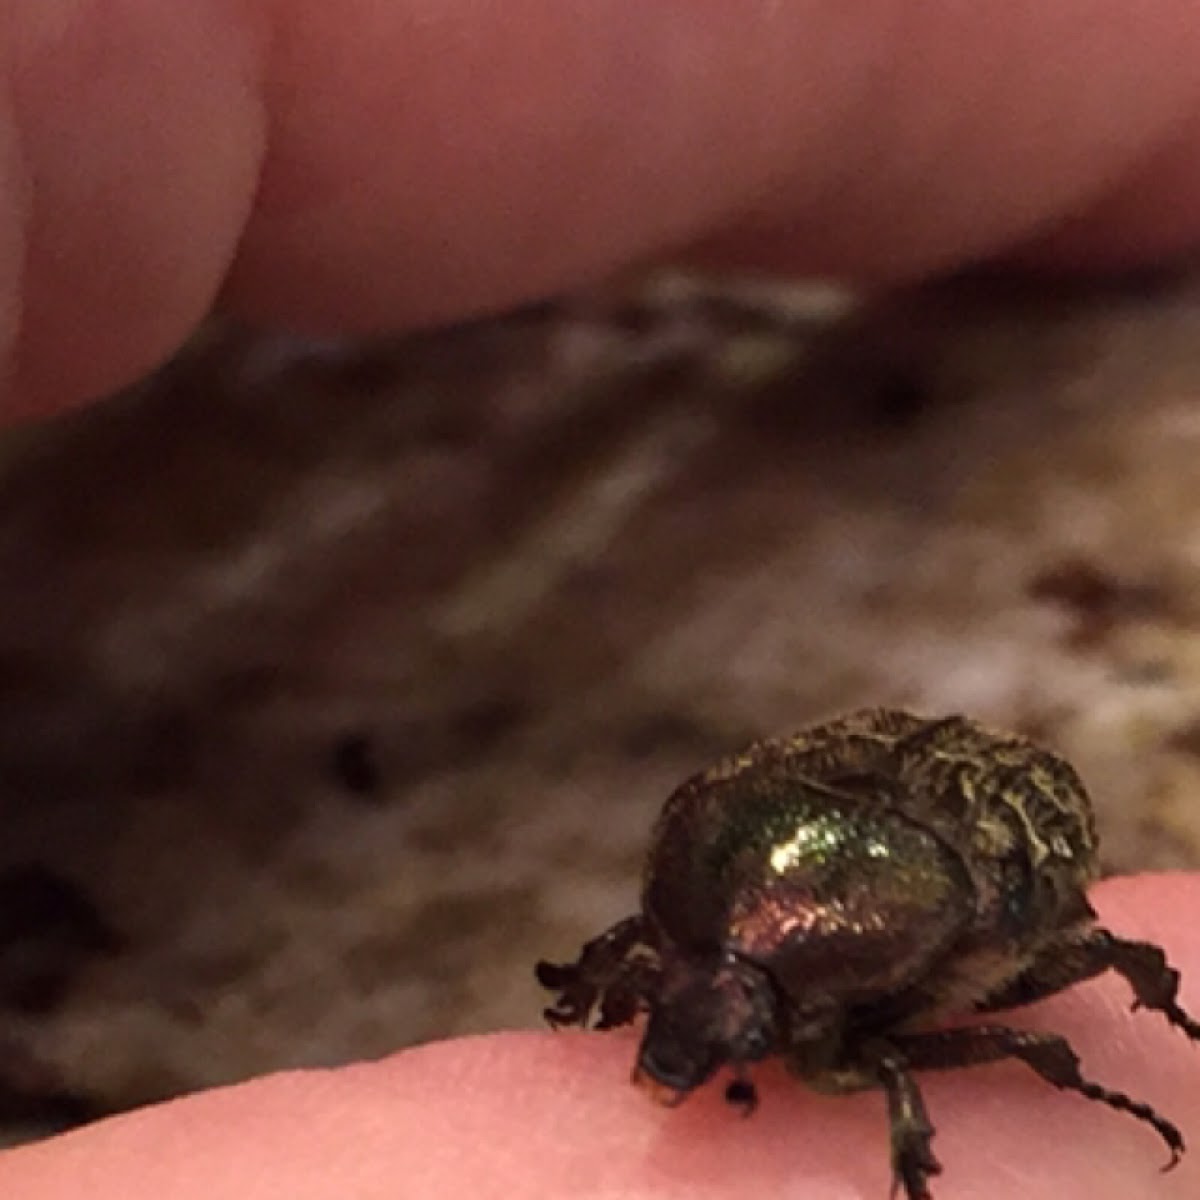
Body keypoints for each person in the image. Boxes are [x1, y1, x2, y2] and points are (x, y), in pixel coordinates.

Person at [2, 5, 1199, 1196]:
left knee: (1045, 1001)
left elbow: (993, 1038)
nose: (684, 1027)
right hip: (827, 858)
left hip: (947, 860)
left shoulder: (907, 977)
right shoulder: (697, 901)